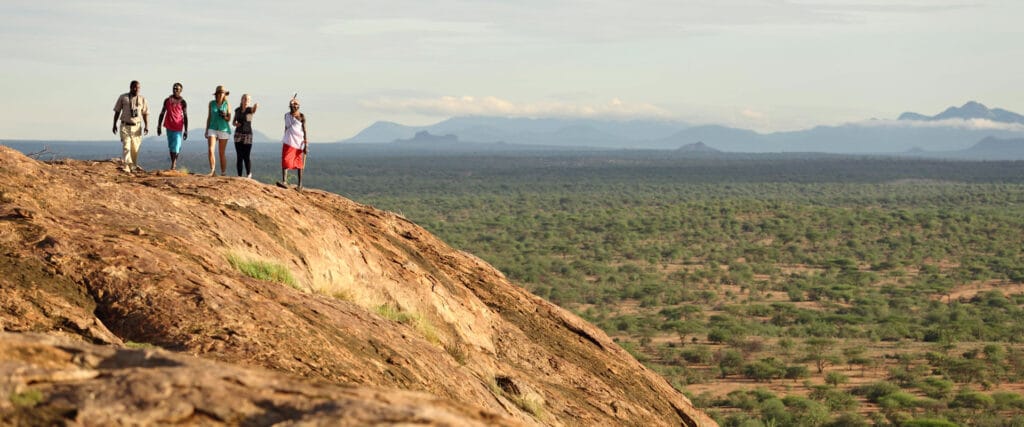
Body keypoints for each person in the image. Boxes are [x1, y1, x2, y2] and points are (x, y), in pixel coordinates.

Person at [111, 80, 149, 173]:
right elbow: (117, 111)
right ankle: (126, 166)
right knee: (126, 146)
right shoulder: (123, 97)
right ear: (131, 87)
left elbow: (145, 113)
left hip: (137, 127)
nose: (137, 89)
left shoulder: (142, 99)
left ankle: (133, 166)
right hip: (125, 125)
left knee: (135, 148)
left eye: (138, 87)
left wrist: (147, 125)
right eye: (135, 87)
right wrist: (114, 124)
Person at [157, 83, 189, 170]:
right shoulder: (167, 100)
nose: (175, 90)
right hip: (169, 125)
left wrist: (186, 130)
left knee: (177, 145)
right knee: (171, 145)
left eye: (177, 89)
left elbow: (185, 116)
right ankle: (173, 162)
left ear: (181, 91)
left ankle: (174, 163)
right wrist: (159, 126)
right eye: (174, 88)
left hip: (178, 126)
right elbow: (162, 113)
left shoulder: (183, 102)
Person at [279, 97, 307, 190]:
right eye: (293, 104)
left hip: (299, 142)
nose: (294, 105)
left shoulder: (301, 116)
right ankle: (284, 181)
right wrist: (284, 137)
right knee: (285, 160)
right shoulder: (286, 115)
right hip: (288, 140)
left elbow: (305, 130)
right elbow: (286, 127)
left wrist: (306, 144)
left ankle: (300, 185)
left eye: (296, 104)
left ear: (299, 106)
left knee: (299, 163)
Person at [205, 85, 232, 176]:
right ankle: (212, 170)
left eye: (222, 93)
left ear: (225, 94)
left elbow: (229, 119)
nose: (221, 94)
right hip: (212, 127)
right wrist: (206, 129)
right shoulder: (211, 103)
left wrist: (225, 116)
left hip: (223, 129)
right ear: (216, 94)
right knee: (210, 149)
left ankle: (223, 172)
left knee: (221, 153)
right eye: (219, 93)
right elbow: (209, 117)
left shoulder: (227, 104)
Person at [232, 94, 259, 178]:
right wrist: (236, 124)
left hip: (247, 134)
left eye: (248, 99)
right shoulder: (237, 110)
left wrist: (256, 106)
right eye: (245, 99)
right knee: (239, 156)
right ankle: (239, 175)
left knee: (246, 156)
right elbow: (233, 122)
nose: (246, 100)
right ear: (241, 100)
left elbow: (254, 110)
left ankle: (248, 174)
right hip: (238, 134)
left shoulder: (249, 110)